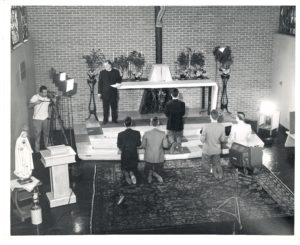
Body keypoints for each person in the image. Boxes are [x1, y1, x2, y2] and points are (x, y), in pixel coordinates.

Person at [141, 117, 169, 183]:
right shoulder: (163, 133)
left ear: (150, 123)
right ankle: (155, 174)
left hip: (149, 157)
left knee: (146, 170)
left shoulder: (146, 133)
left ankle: (150, 173)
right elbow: (165, 146)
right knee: (159, 170)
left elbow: (143, 146)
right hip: (159, 157)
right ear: (158, 123)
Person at [200, 109, 227, 177]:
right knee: (217, 163)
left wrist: (200, 134)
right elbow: (223, 139)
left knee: (204, 164)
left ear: (210, 117)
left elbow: (202, 140)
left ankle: (212, 170)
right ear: (217, 117)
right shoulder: (222, 127)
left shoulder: (206, 126)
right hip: (217, 150)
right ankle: (218, 170)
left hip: (207, 150)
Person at [117, 117, 141, 185]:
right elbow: (139, 144)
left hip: (125, 155)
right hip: (133, 154)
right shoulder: (137, 133)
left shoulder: (120, 134)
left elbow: (119, 145)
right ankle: (132, 174)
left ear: (124, 124)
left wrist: (124, 148)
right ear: (131, 123)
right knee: (133, 167)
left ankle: (127, 176)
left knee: (125, 167)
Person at [98, 60, 122, 124]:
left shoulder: (116, 72)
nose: (105, 67)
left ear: (110, 65)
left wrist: (118, 83)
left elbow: (119, 80)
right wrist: (99, 92)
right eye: (104, 65)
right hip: (105, 93)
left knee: (114, 107)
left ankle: (114, 119)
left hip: (113, 92)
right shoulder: (102, 72)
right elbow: (100, 83)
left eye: (106, 65)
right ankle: (105, 120)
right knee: (105, 108)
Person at [29, 85, 51, 152]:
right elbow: (29, 106)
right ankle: (37, 150)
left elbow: (50, 106)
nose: (45, 94)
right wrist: (36, 103)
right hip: (37, 119)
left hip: (45, 119)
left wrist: (49, 115)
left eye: (46, 92)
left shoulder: (48, 98)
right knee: (37, 135)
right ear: (40, 92)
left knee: (46, 133)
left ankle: (47, 146)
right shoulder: (35, 97)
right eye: (44, 92)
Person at [164, 88, 185, 153]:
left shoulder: (168, 104)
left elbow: (166, 114)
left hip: (170, 123)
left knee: (170, 135)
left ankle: (173, 143)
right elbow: (183, 113)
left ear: (171, 95)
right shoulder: (182, 103)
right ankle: (179, 145)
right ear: (178, 94)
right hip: (179, 123)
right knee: (179, 135)